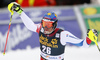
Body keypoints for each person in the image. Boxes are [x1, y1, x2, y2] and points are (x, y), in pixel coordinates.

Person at [8, 2, 98, 60]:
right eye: (44, 24)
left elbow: (84, 45)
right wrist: (20, 11)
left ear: (55, 25)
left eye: (49, 25)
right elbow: (30, 25)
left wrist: (89, 38)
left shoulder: (62, 35)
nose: (46, 28)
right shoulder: (41, 29)